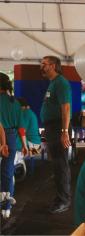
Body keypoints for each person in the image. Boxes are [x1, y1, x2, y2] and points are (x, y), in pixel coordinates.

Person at [40, 56, 72, 214]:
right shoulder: (53, 83)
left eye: (44, 64)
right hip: (53, 127)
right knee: (57, 165)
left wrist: (64, 132)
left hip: (59, 127)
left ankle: (64, 200)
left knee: (61, 164)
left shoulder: (61, 83)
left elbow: (66, 108)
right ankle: (61, 197)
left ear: (53, 66)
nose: (42, 67)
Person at [0, 72, 28, 219]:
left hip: (2, 136)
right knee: (7, 172)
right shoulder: (15, 102)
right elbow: (21, 127)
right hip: (11, 138)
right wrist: (24, 146)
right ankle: (7, 208)